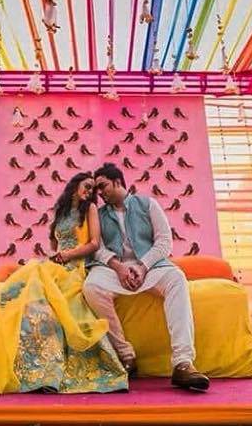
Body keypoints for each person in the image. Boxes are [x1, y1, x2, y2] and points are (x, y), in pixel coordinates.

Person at [0, 172, 128, 395]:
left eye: (93, 190)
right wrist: (57, 257)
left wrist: (67, 256)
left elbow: (95, 243)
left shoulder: (91, 209)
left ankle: (40, 373)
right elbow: (55, 246)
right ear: (75, 185)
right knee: (6, 299)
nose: (89, 192)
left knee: (42, 310)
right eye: (87, 186)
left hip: (74, 270)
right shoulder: (62, 213)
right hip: (53, 266)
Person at [82, 162, 210, 391]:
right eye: (97, 190)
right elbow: (97, 248)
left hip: (150, 266)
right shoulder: (98, 215)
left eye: (102, 186)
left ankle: (183, 363)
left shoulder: (148, 204)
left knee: (176, 279)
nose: (99, 193)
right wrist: (119, 267)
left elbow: (164, 242)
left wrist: (142, 266)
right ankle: (125, 355)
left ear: (118, 181)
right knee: (91, 287)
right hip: (114, 269)